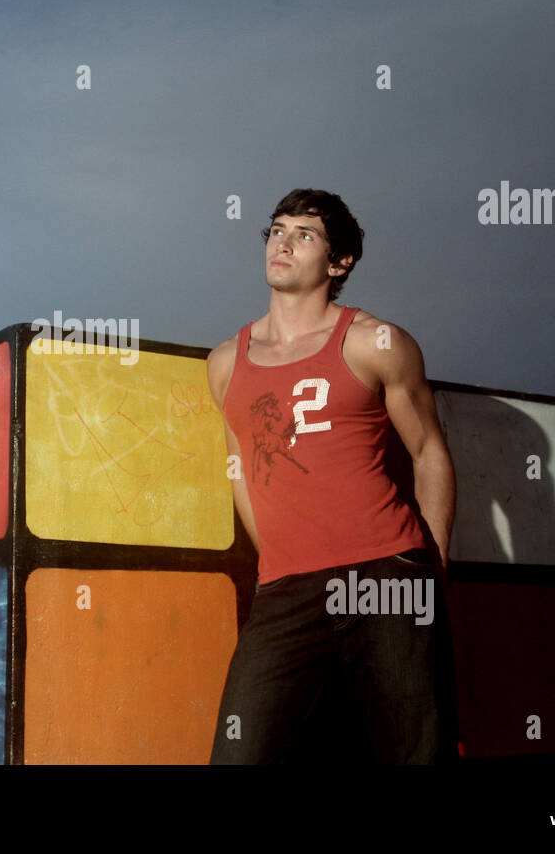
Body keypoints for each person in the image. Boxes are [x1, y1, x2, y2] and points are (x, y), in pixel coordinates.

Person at [206, 188, 456, 764]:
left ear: (339, 262)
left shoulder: (376, 342)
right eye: (276, 230)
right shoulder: (226, 362)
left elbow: (429, 453)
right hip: (286, 589)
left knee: (414, 753)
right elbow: (239, 466)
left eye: (304, 235)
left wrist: (431, 568)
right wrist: (277, 560)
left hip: (386, 573)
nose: (282, 243)